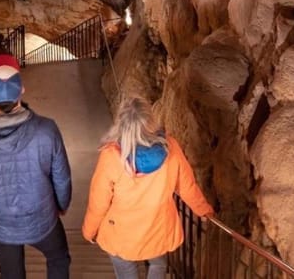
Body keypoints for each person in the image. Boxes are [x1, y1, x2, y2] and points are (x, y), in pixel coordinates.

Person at [0, 54, 72, 279]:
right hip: (42, 217)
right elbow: (62, 177)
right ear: (21, 90)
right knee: (58, 258)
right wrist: (61, 204)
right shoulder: (47, 129)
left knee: (12, 274)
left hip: (2, 223)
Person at [82, 96, 214, 279]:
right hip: (157, 228)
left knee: (125, 266)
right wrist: (204, 211)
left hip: (122, 233)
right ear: (151, 120)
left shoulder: (112, 156)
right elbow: (187, 186)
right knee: (158, 263)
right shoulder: (170, 148)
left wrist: (90, 230)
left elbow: (98, 201)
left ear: (121, 124)